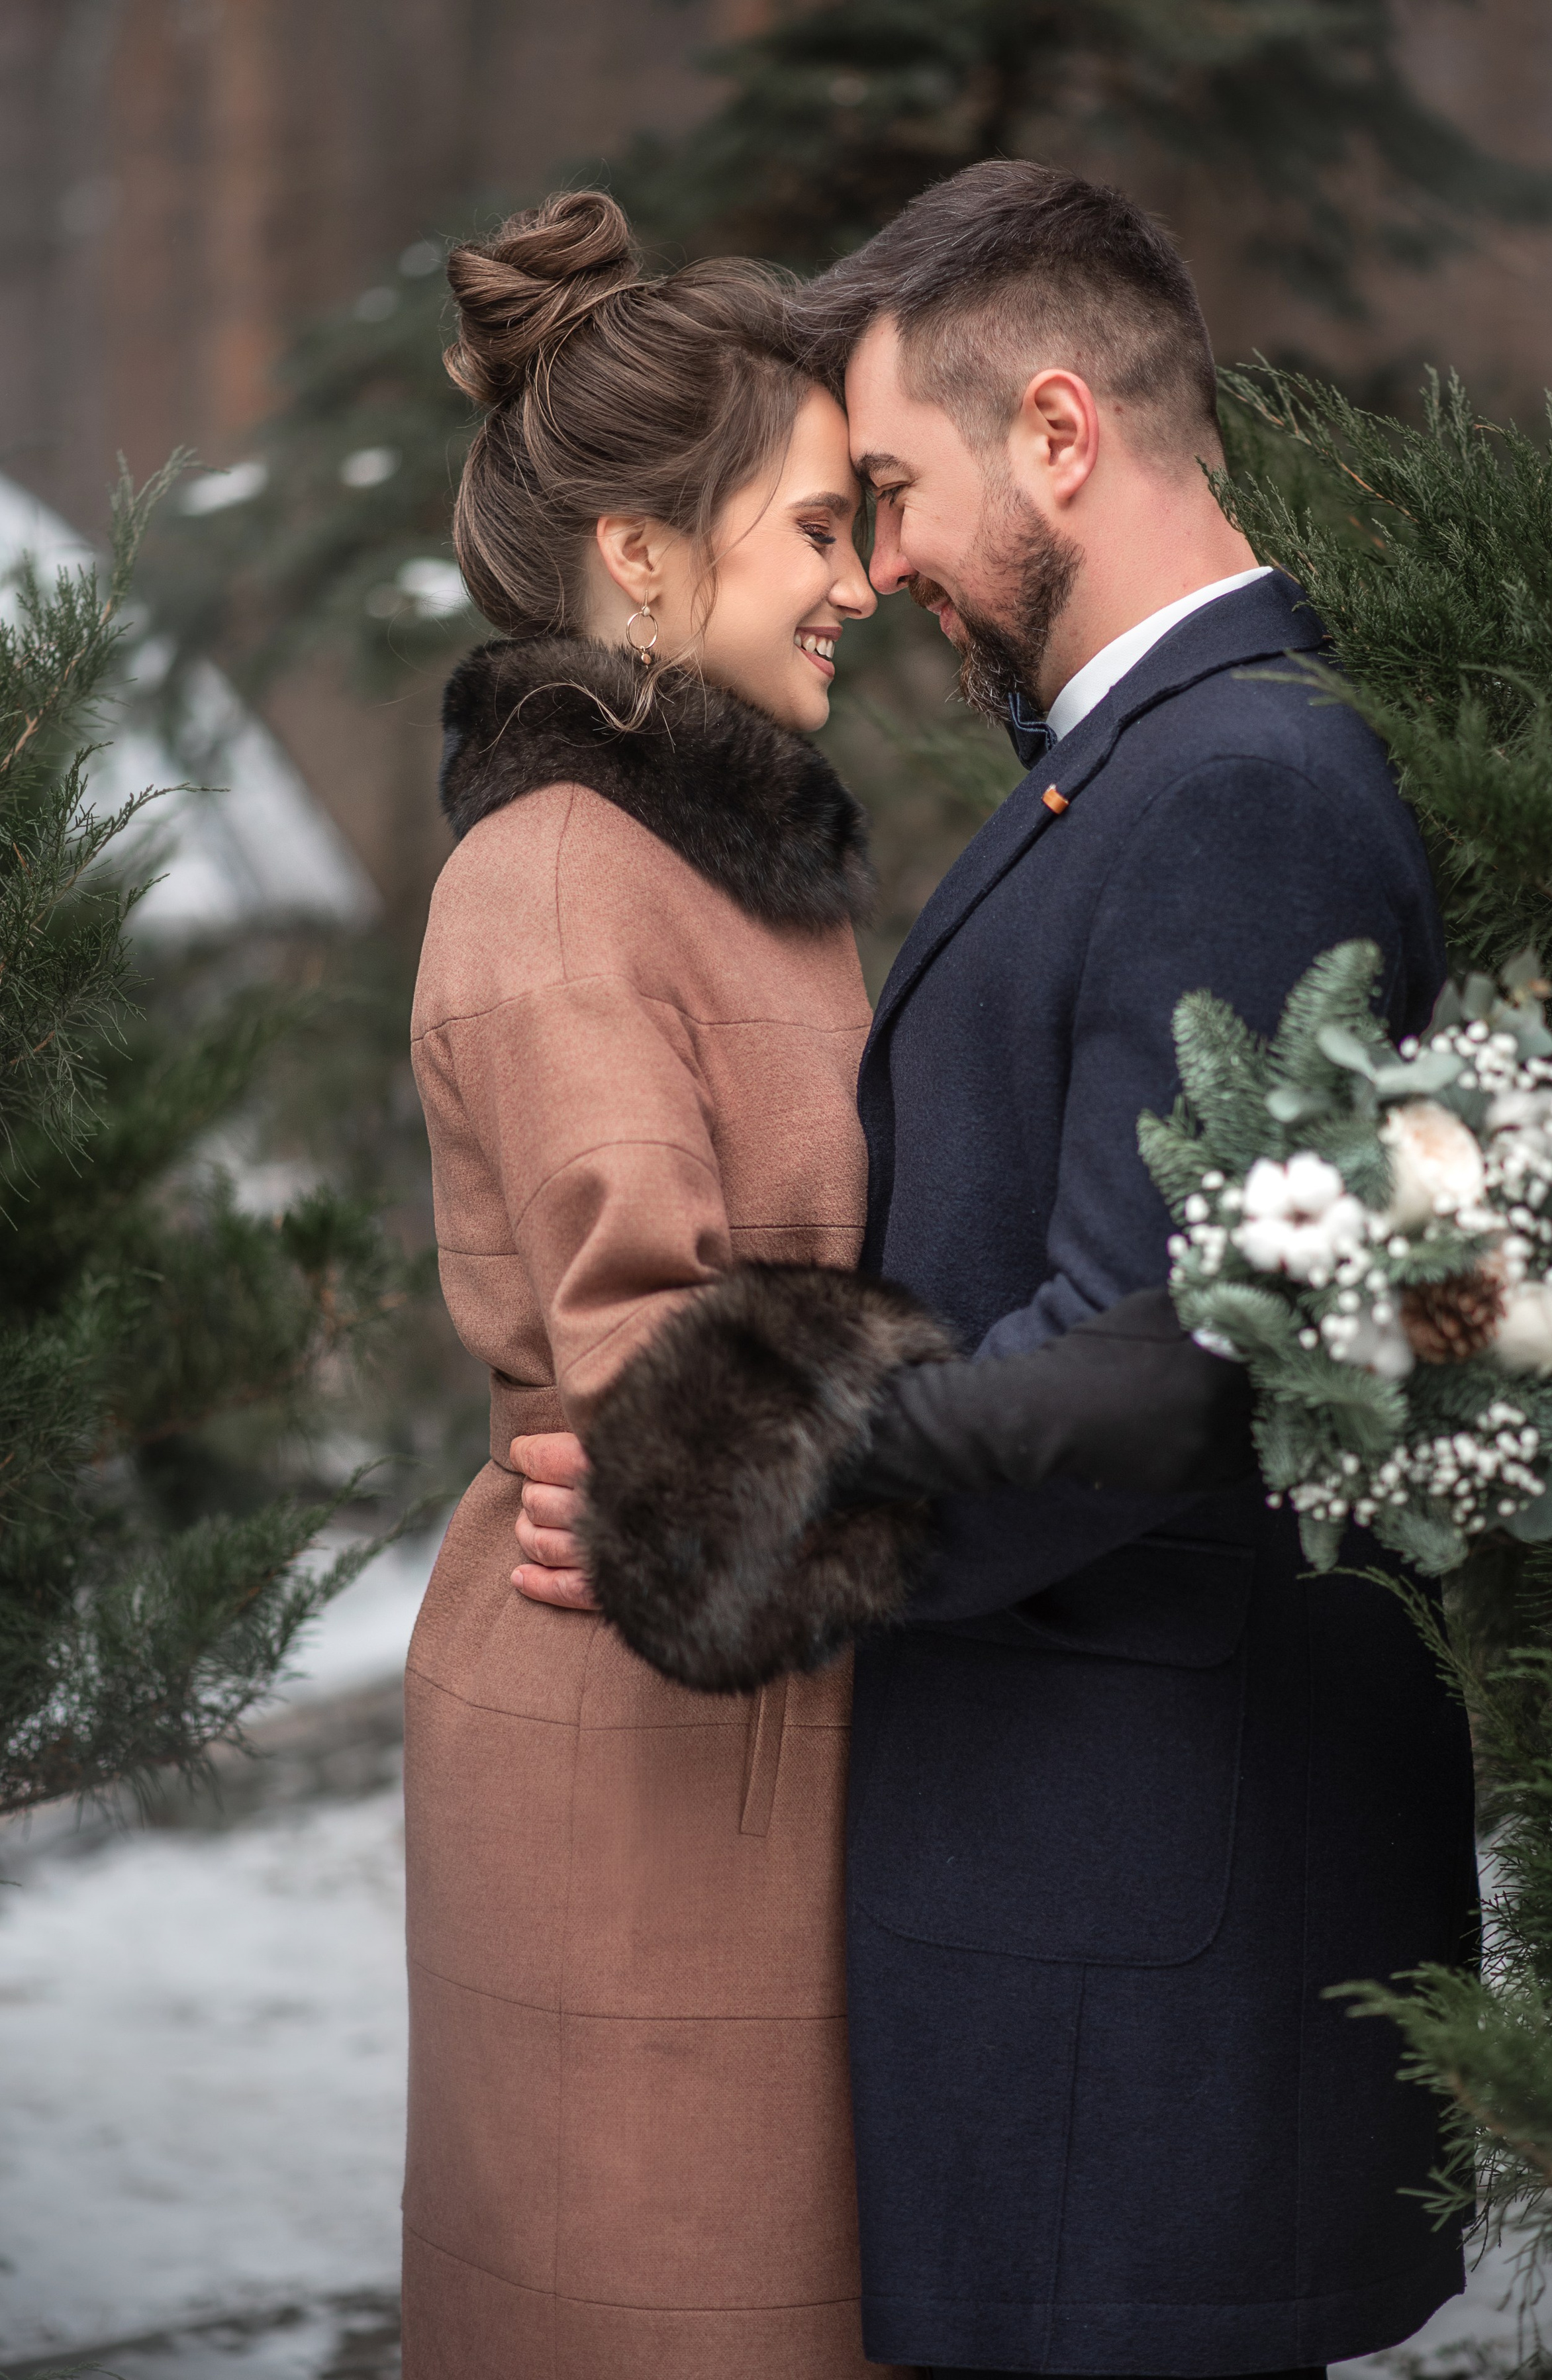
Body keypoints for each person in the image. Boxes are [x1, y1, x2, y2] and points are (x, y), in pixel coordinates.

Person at [514, 164, 1478, 2380]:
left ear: (1060, 436)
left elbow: (1150, 1368)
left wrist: (728, 1491)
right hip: (1079, 1926)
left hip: (1135, 1963)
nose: (882, 563)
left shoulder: (1239, 782)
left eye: (893, 491)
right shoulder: (1140, 771)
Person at [404, 186, 1255, 2380]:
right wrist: (1045, 1394)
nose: (865, 581)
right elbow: (673, 1411)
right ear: (642, 554)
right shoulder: (558, 877)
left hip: (796, 1720)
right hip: (643, 1727)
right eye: (812, 527)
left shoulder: (738, 872)